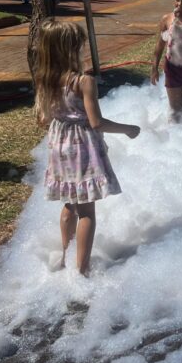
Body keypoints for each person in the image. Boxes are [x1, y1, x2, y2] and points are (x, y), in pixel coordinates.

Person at [34, 20, 140, 276]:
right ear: (71, 49)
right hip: (82, 147)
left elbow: (42, 120)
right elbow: (96, 122)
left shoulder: (46, 80)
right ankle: (82, 269)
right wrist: (127, 129)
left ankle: (63, 258)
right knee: (87, 212)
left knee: (70, 203)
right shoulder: (83, 81)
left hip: (59, 145)